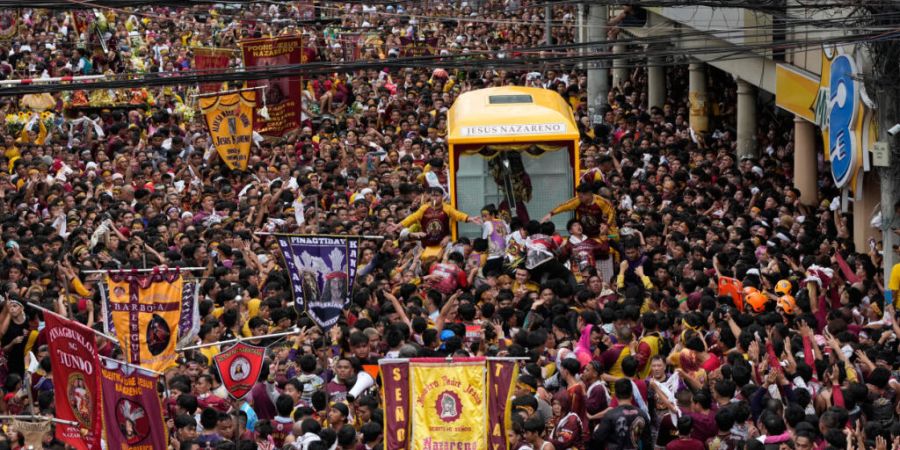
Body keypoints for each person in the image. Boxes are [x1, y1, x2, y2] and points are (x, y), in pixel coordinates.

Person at [392, 186, 482, 259]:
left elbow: (458, 214)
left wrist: (469, 218)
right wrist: (398, 225)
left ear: (442, 197)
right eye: (432, 195)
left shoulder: (447, 208)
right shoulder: (424, 208)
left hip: (443, 244)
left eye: (437, 195)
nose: (434, 198)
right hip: (426, 245)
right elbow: (411, 218)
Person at [542, 182, 618, 239]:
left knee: (615, 238)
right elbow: (564, 206)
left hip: (600, 234)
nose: (579, 198)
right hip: (584, 234)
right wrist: (551, 214)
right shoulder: (577, 201)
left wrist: (607, 226)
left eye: (581, 196)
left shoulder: (601, 202)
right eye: (578, 196)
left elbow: (611, 212)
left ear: (589, 194)